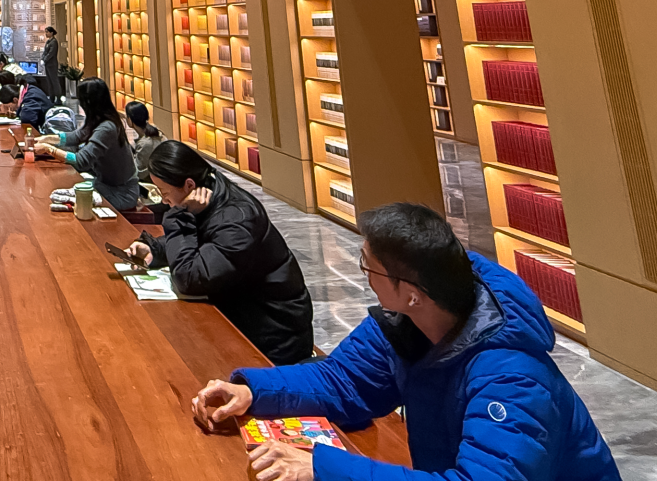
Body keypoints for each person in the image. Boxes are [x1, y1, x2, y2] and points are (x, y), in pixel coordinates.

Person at [190, 202, 619, 481]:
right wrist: (253, 391)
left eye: (368, 270)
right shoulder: (412, 320)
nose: (365, 280)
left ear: (410, 291)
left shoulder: (513, 379)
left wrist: (321, 468)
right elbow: (343, 382)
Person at [125, 140, 314, 366]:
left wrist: (179, 216)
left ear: (188, 185)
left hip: (273, 335)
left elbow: (189, 278)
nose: (164, 201)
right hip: (243, 313)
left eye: (165, 193)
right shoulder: (210, 196)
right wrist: (154, 248)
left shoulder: (237, 220)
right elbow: (204, 245)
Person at [33, 77, 142, 210]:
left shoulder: (107, 128)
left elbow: (81, 160)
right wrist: (47, 139)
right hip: (104, 186)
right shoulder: (99, 120)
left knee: (64, 199)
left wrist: (48, 149)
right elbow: (76, 136)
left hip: (121, 194)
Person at [124, 100, 164, 176]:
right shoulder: (156, 130)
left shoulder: (144, 144)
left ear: (130, 119)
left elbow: (139, 173)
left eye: (127, 116)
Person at [40, 24, 64, 98]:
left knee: (54, 81)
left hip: (52, 64)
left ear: (51, 33)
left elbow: (51, 53)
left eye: (47, 32)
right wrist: (42, 58)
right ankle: (51, 97)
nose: (46, 34)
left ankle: (58, 97)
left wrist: (45, 59)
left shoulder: (54, 42)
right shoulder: (48, 42)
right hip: (47, 64)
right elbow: (45, 52)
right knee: (49, 81)